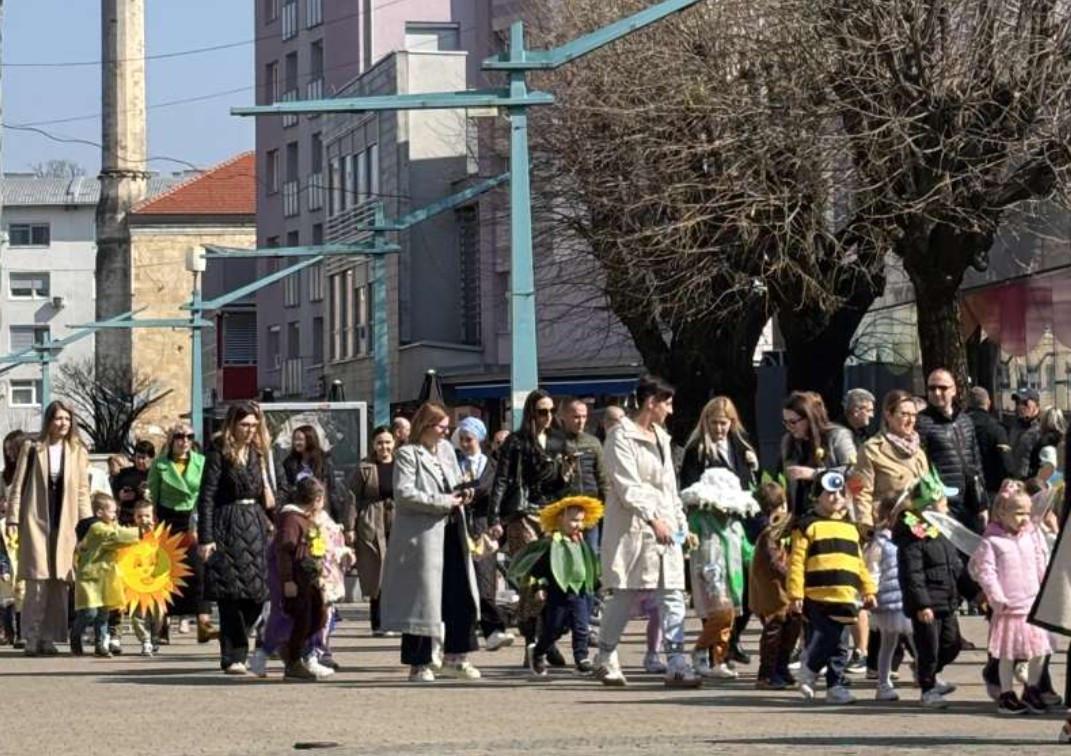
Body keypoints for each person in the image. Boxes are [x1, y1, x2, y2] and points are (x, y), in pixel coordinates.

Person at [593, 374, 701, 688]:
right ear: (651, 402)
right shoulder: (620, 437)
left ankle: (677, 662)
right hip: (633, 529)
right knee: (624, 593)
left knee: (673, 594)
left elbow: (669, 487)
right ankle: (606, 655)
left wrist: (681, 523)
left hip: (666, 528)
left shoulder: (663, 439)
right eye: (667, 403)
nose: (671, 409)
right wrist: (654, 520)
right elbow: (628, 487)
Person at [380, 402, 482, 682]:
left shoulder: (448, 451)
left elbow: (455, 482)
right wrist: (443, 501)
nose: (445, 432)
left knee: (459, 594)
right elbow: (404, 494)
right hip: (423, 537)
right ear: (424, 427)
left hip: (452, 531)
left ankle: (457, 656)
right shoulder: (407, 455)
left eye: (447, 427)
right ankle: (419, 662)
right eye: (440, 427)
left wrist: (465, 494)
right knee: (421, 600)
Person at [6, 400, 91, 656]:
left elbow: (82, 492)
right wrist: (12, 517)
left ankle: (49, 637)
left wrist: (88, 526)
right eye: (58, 418)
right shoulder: (33, 448)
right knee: (36, 580)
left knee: (60, 581)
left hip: (66, 521)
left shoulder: (78, 450)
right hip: (36, 518)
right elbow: (18, 485)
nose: (62, 423)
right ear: (49, 421)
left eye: (66, 418)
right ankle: (31, 636)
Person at [490, 390, 570, 658]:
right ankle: (532, 643)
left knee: (554, 580)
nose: (547, 417)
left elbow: (557, 485)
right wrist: (495, 518)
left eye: (550, 411)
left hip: (550, 514)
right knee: (532, 582)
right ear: (530, 413)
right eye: (541, 412)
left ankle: (546, 640)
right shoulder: (516, 441)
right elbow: (501, 479)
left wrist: (565, 476)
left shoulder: (558, 441)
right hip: (523, 516)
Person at [680, 396, 760, 666]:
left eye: (723, 423)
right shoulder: (697, 450)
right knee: (713, 590)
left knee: (744, 589)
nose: (719, 429)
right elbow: (688, 488)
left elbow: (749, 484)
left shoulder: (741, 447)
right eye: (714, 423)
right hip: (708, 528)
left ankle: (732, 639)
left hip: (735, 527)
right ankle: (713, 648)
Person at [788, 469, 877, 705]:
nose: (836, 497)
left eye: (840, 492)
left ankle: (835, 686)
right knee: (826, 637)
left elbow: (859, 564)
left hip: (845, 596)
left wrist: (868, 590)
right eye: (830, 493)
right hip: (817, 595)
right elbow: (796, 562)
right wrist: (795, 593)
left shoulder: (851, 528)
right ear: (817, 496)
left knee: (840, 645)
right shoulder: (807, 525)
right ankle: (811, 668)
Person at [197, 402, 273, 675]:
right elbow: (206, 497)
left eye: (254, 425)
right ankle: (233, 655)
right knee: (231, 594)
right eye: (244, 425)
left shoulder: (257, 453)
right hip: (227, 523)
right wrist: (206, 537)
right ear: (232, 424)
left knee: (257, 593)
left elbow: (267, 493)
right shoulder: (219, 452)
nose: (250, 430)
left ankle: (240, 643)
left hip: (254, 522)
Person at [968, 480, 1052, 714]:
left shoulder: (1031, 536)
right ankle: (1006, 693)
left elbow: (1040, 563)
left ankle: (1032, 688)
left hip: (1033, 603)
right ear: (1002, 512)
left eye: (1027, 512)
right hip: (1008, 606)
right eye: (1018, 513)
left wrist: (1047, 590)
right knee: (1007, 654)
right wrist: (996, 597)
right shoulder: (992, 541)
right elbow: (986, 572)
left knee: (1040, 651)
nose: (1024, 518)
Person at [509, 495, 603, 679]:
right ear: (561, 519)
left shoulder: (581, 543)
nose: (578, 525)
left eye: (581, 521)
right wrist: (540, 588)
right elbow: (539, 570)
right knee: (554, 629)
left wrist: (597, 585)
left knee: (581, 626)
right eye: (574, 520)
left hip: (580, 592)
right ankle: (539, 651)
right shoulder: (552, 544)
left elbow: (589, 565)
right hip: (558, 593)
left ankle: (581, 659)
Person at [892, 474, 963, 709]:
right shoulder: (913, 536)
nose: (947, 507)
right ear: (930, 507)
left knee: (952, 645)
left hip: (947, 600)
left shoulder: (942, 530)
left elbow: (956, 565)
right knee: (928, 648)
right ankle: (928, 687)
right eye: (943, 502)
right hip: (928, 605)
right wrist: (921, 604)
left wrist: (974, 592)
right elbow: (912, 573)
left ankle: (927, 672)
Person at [682, 466, 756, 680]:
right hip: (709, 578)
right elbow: (685, 541)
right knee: (721, 616)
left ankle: (718, 660)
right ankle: (700, 651)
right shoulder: (698, 518)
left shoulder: (735, 523)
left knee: (728, 620)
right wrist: (687, 540)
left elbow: (746, 550)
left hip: (733, 579)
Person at [146, 422, 216, 643]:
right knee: (166, 573)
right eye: (179, 436)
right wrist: (152, 526)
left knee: (199, 571)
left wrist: (204, 524)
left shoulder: (202, 462)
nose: (184, 440)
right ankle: (163, 624)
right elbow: (153, 498)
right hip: (167, 522)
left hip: (193, 519)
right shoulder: (159, 465)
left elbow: (207, 494)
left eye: (189, 436)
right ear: (171, 439)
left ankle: (203, 622)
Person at [453, 416, 514, 652]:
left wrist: (470, 492)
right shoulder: (454, 462)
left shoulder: (490, 465)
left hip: (482, 525)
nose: (465, 444)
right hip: (458, 523)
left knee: (484, 578)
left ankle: (494, 628)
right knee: (462, 581)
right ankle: (473, 631)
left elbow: (488, 488)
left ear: (479, 439)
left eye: (469, 439)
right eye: (462, 439)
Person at [264, 478, 332, 682]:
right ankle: (293, 661)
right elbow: (285, 551)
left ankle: (291, 650)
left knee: (318, 616)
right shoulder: (292, 519)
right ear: (317, 499)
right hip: (295, 577)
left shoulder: (306, 518)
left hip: (308, 576)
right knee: (303, 618)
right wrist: (288, 581)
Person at [915, 369, 988, 533]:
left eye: (942, 387)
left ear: (954, 390)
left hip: (971, 502)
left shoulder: (965, 420)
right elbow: (920, 467)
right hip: (943, 503)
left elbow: (976, 463)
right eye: (931, 388)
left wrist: (982, 503)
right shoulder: (922, 423)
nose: (936, 392)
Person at [70, 493, 140, 657]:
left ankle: (101, 645)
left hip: (105, 577)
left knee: (103, 613)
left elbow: (118, 536)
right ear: (99, 513)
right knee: (89, 613)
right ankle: (75, 633)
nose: (115, 515)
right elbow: (116, 536)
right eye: (112, 511)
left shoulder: (106, 527)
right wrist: (141, 532)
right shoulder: (96, 528)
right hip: (90, 578)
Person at [865, 495, 915, 702]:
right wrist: (871, 592)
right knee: (889, 643)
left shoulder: (909, 536)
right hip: (890, 599)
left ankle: (928, 678)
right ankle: (883, 683)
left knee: (917, 641)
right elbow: (873, 568)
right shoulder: (881, 541)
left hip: (907, 597)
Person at [749, 480, 799, 690]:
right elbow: (775, 561)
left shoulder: (784, 530)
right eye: (778, 507)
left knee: (792, 628)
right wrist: (795, 573)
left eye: (783, 506)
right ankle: (766, 674)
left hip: (786, 591)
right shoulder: (770, 533)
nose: (783, 511)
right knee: (774, 630)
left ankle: (782, 667)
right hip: (772, 591)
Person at [348, 425, 396, 636]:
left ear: (393, 443)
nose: (384, 447)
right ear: (373, 445)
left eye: (387, 442)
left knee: (395, 571)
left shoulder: (402, 465)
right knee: (376, 572)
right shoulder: (364, 468)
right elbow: (351, 498)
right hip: (371, 521)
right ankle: (378, 622)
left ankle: (394, 621)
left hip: (397, 520)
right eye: (380, 443)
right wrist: (350, 527)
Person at [780, 391, 856, 518]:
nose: (789, 427)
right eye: (785, 422)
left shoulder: (837, 436)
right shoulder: (788, 442)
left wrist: (815, 474)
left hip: (838, 513)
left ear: (810, 418)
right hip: (802, 516)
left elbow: (854, 471)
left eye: (793, 422)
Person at [557, 398, 610, 552]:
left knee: (591, 554)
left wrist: (606, 508)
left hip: (590, 510)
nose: (581, 421)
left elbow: (603, 477)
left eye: (584, 416)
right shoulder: (555, 442)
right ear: (564, 417)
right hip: (564, 510)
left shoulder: (593, 442)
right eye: (576, 417)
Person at [278, 425, 343, 525]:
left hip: (320, 511)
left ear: (310, 440)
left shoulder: (323, 461)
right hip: (298, 512)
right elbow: (286, 489)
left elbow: (331, 489)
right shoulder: (290, 463)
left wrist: (338, 518)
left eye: (300, 440)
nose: (296, 443)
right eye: (294, 439)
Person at [0, 430, 27, 649]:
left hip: (28, 533)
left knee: (24, 585)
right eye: (7, 451)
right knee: (7, 585)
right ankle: (8, 630)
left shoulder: (32, 474)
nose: (10, 455)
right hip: (6, 534)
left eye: (13, 450)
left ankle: (23, 632)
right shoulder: (3, 477)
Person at [128, 499, 164, 657]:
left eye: (147, 516)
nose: (144, 520)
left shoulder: (161, 534)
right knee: (138, 614)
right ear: (134, 518)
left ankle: (155, 636)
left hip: (157, 581)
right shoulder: (130, 535)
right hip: (137, 582)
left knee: (158, 613)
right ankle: (145, 640)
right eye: (140, 517)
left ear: (154, 518)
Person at [965, 386, 1012, 499]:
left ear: (967, 403)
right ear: (988, 403)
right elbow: (1005, 462)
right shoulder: (996, 428)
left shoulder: (959, 425)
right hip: (990, 488)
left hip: (964, 488)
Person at [111, 440, 154, 526]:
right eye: (137, 457)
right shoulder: (123, 474)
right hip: (128, 516)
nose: (140, 461)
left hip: (149, 517)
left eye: (143, 458)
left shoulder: (155, 474)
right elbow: (114, 492)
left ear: (151, 458)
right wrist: (120, 495)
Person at [1009, 388, 1042, 480]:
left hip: (1033, 484)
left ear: (1036, 404)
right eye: (1017, 403)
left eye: (1024, 403)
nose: (1020, 406)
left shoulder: (1042, 429)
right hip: (1015, 481)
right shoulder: (1016, 426)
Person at [1028, 407, 1067, 480]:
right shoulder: (1064, 438)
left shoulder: (1045, 442)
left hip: (1048, 485)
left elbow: (1050, 469)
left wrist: (1048, 487)